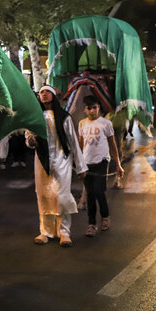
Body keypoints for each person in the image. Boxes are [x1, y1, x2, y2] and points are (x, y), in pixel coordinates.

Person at [26, 85, 87, 247]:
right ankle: (45, 232)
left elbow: (73, 142)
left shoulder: (64, 117)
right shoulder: (35, 117)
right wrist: (30, 141)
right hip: (41, 161)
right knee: (44, 195)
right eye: (41, 92)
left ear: (53, 95)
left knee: (61, 195)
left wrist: (81, 167)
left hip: (62, 160)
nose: (44, 94)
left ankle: (64, 232)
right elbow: (29, 137)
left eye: (47, 92)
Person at [78, 96, 123, 237]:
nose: (92, 111)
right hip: (86, 163)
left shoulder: (106, 124)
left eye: (95, 107)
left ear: (99, 108)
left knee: (99, 191)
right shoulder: (82, 124)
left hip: (102, 162)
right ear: (84, 110)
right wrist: (79, 163)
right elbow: (80, 144)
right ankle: (91, 224)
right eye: (89, 108)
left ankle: (105, 217)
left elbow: (112, 144)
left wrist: (118, 164)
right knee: (89, 195)